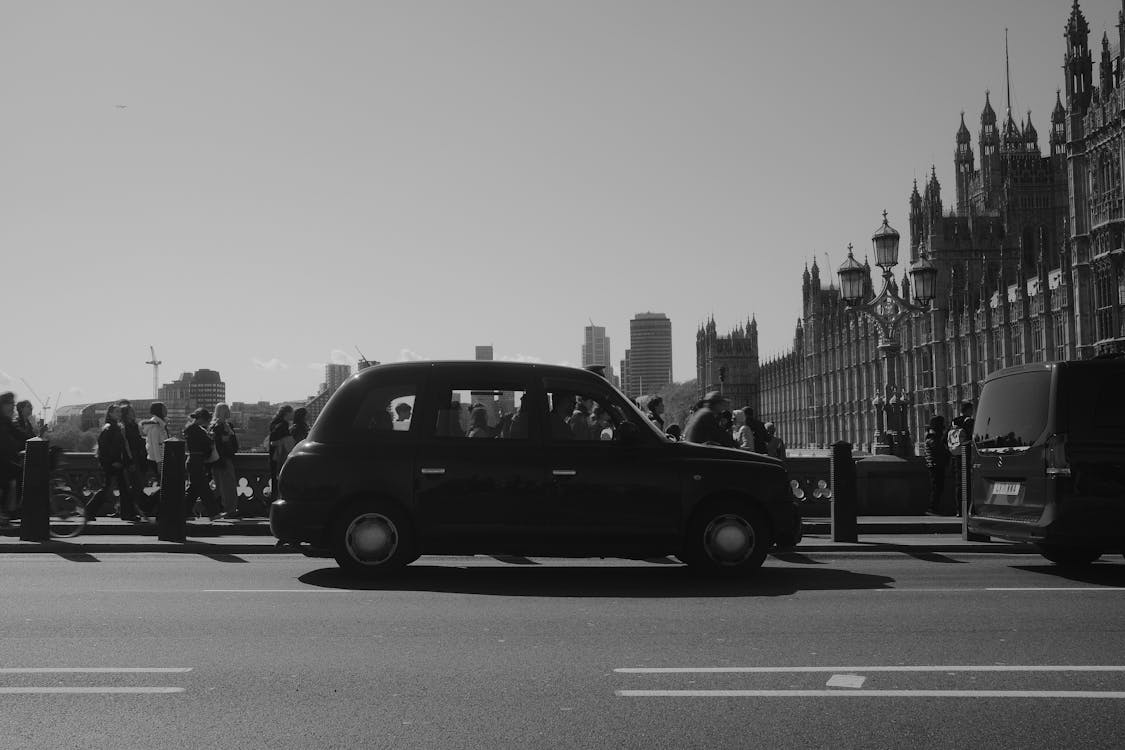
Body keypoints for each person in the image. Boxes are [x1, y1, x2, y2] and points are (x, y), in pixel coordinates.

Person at [87, 403, 138, 521]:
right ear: (110, 414)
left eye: (120, 412)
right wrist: (113, 462)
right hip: (112, 464)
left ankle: (127, 513)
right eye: (116, 412)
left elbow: (121, 448)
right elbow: (104, 448)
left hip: (116, 463)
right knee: (110, 488)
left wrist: (127, 462)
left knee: (122, 488)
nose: (119, 414)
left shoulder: (115, 427)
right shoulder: (109, 428)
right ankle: (89, 511)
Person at [184, 407, 220, 520]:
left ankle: (184, 512)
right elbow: (205, 444)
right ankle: (213, 512)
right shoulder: (196, 430)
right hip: (196, 461)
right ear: (202, 419)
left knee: (193, 490)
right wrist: (210, 439)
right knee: (204, 489)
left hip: (194, 460)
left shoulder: (192, 429)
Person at [120, 404, 152, 518]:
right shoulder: (124, 427)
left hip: (138, 457)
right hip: (131, 457)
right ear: (126, 414)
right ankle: (132, 511)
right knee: (135, 486)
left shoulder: (134, 425)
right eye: (131, 411)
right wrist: (130, 461)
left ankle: (132, 510)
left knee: (137, 485)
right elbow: (126, 444)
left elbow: (138, 440)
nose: (133, 412)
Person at [209, 404, 240, 519]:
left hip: (224, 458)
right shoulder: (216, 426)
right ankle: (228, 509)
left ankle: (226, 508)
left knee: (224, 486)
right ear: (221, 412)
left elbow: (235, 445)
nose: (228, 411)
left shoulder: (228, 425)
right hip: (221, 459)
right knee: (226, 486)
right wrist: (224, 440)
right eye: (225, 410)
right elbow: (213, 443)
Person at [946, 402, 975, 516]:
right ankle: (967, 509)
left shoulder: (954, 422)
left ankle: (959, 510)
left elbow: (945, 439)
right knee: (969, 483)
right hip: (967, 455)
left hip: (956, 456)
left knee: (959, 483)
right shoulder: (969, 422)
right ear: (968, 410)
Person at [0, 393, 22, 526]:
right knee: (11, 478)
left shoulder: (7, 421)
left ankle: (7, 511)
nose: (12, 408)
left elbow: (19, 434)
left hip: (5, 460)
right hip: (3, 460)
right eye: (10, 404)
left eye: (13, 405)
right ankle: (6, 511)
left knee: (12, 479)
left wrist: (36, 442)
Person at [923, 415, 951, 515]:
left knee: (938, 487)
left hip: (936, 464)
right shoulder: (932, 438)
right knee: (937, 487)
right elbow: (940, 449)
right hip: (935, 465)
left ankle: (935, 507)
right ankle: (932, 508)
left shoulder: (932, 437)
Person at [268, 405, 294, 498]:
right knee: (281, 478)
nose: (293, 415)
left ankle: (273, 499)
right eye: (292, 412)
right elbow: (274, 441)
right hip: (281, 456)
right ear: (287, 413)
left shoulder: (275, 423)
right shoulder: (283, 424)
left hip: (274, 457)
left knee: (275, 480)